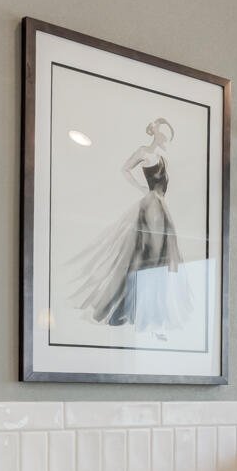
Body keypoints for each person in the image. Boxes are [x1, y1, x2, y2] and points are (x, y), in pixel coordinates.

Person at [68, 117, 190, 337]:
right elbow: (124, 169)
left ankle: (150, 314)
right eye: (163, 136)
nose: (166, 141)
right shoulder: (144, 152)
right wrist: (141, 188)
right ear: (155, 134)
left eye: (168, 138)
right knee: (147, 257)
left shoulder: (162, 158)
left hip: (161, 209)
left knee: (158, 259)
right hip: (152, 208)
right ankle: (133, 311)